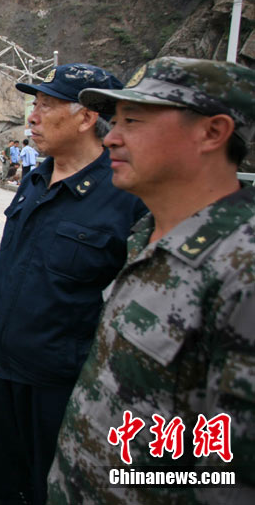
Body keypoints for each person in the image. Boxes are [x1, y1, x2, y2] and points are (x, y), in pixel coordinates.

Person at [47, 57, 255, 503]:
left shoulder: (242, 270)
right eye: (116, 120)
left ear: (212, 133)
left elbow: (231, 480)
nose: (112, 136)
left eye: (134, 120)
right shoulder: (148, 234)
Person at [0, 64, 146, 505]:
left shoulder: (127, 197)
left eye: (47, 106)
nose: (32, 116)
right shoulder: (35, 178)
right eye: (35, 104)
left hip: (58, 387)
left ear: (87, 117)